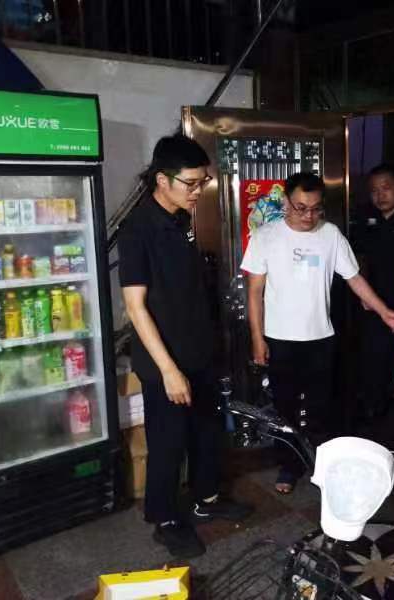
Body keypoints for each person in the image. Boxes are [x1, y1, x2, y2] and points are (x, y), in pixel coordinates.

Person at [119, 134, 251, 559]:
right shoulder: (139, 230)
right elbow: (136, 307)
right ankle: (165, 520)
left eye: (202, 182)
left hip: (198, 353)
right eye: (191, 183)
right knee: (169, 443)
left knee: (207, 433)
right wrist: (169, 370)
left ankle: (205, 499)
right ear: (162, 179)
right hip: (166, 362)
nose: (198, 191)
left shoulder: (179, 220)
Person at [242, 172, 394, 494]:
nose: (308, 216)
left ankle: (321, 464)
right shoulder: (265, 236)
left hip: (321, 338)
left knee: (321, 407)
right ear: (286, 202)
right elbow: (254, 292)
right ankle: (289, 466)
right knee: (284, 407)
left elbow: (354, 278)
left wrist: (384, 311)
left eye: (316, 209)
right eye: (300, 208)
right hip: (280, 338)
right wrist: (257, 339)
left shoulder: (330, 235)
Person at [354, 164, 394, 421]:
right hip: (374, 305)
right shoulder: (364, 219)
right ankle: (374, 416)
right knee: (373, 362)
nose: (380, 195)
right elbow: (358, 258)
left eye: (386, 188)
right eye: (374, 190)